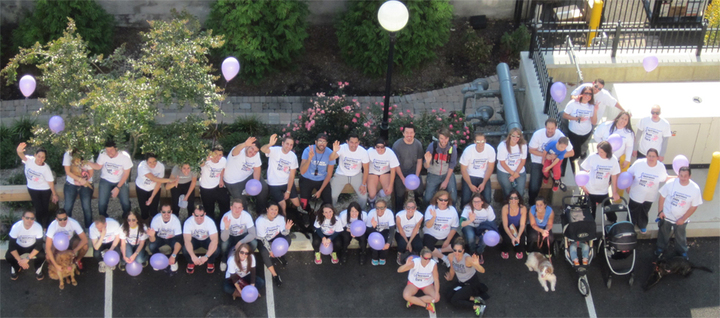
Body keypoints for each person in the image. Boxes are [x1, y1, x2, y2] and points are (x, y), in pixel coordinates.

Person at [656, 166, 702, 259]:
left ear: (690, 176)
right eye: (681, 175)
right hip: (666, 216)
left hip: (681, 220)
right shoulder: (670, 183)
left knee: (680, 237)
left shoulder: (695, 189)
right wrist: (660, 211)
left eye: (685, 176)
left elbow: (694, 206)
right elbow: (662, 197)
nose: (683, 178)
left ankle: (682, 252)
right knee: (663, 234)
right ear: (678, 175)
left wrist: (683, 219)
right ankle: (660, 248)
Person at [528, 118, 574, 205]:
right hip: (538, 160)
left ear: (556, 127)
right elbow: (531, 150)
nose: (550, 131)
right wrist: (545, 156)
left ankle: (556, 181)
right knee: (534, 186)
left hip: (554, 160)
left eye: (552, 128)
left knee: (557, 171)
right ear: (545, 127)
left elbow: (571, 153)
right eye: (548, 128)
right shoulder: (538, 134)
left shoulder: (560, 136)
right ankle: (531, 204)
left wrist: (556, 156)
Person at [261, 134, 307, 218]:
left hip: (286, 182)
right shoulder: (274, 150)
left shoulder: (293, 156)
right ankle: (284, 221)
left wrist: (288, 191)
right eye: (287, 144)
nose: (289, 146)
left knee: (297, 203)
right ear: (282, 143)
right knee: (283, 205)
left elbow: (292, 175)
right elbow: (263, 149)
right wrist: (270, 144)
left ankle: (299, 217)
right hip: (274, 183)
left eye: (291, 145)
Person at [627, 149, 671, 233]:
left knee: (644, 210)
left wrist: (678, 177)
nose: (651, 158)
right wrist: (628, 186)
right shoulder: (639, 163)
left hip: (650, 195)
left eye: (653, 156)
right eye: (649, 156)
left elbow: (664, 178)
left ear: (657, 157)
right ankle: (630, 225)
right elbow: (630, 174)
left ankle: (642, 224)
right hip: (636, 193)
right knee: (633, 209)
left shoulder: (661, 166)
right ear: (646, 156)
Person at [88, 140, 133, 219]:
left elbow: (126, 174)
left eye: (111, 150)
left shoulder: (125, 156)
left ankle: (127, 218)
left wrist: (118, 188)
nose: (109, 153)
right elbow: (98, 166)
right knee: (102, 203)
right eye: (107, 150)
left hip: (120, 180)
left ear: (117, 148)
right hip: (106, 180)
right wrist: (87, 162)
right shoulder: (103, 153)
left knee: (125, 203)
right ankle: (103, 219)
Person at [17, 142, 58, 229]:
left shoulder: (46, 168)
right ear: (35, 155)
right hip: (32, 188)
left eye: (43, 157)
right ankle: (39, 227)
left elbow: (50, 182)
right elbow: (21, 155)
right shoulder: (29, 160)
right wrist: (19, 151)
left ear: (45, 158)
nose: (40, 159)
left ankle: (46, 227)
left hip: (45, 189)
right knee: (38, 209)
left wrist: (54, 194)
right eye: (39, 156)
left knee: (45, 209)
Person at [224, 136, 269, 214]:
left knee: (263, 188)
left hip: (248, 176)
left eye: (255, 151)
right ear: (247, 146)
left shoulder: (255, 154)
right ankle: (246, 219)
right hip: (233, 181)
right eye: (251, 149)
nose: (253, 153)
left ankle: (261, 212)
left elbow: (257, 169)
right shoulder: (238, 151)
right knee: (241, 203)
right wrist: (244, 144)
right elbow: (235, 150)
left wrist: (255, 185)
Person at [444, 238, 488, 317]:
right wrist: (450, 278)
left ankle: (477, 306)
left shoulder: (467, 259)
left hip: (471, 284)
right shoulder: (450, 256)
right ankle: (475, 299)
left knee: (454, 300)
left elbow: (482, 271)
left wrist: (477, 265)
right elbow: (452, 268)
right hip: (461, 283)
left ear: (463, 250)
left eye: (459, 251)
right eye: (455, 250)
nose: (457, 253)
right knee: (448, 295)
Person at [580, 141, 621, 222]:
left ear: (607, 152)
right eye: (598, 151)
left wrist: (615, 192)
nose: (599, 153)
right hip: (590, 189)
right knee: (591, 215)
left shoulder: (613, 160)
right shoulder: (593, 157)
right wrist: (583, 186)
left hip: (603, 190)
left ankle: (613, 224)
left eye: (602, 152)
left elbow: (614, 176)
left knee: (611, 215)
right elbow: (583, 171)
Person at [562, 85, 600, 172]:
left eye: (590, 94)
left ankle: (574, 159)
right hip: (574, 132)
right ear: (582, 94)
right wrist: (576, 118)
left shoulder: (591, 106)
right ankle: (572, 164)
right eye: (586, 93)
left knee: (580, 149)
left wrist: (595, 111)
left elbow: (594, 122)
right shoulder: (573, 103)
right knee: (576, 152)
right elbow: (564, 115)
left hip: (586, 132)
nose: (588, 96)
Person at [255, 202, 293, 287]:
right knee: (265, 253)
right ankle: (275, 275)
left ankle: (279, 255)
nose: (274, 211)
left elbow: (283, 233)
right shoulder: (260, 221)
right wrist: (270, 250)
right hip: (263, 240)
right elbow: (263, 238)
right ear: (267, 209)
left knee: (288, 239)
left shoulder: (280, 218)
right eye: (272, 209)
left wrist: (287, 230)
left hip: (275, 238)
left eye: (276, 210)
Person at [330, 133, 370, 208]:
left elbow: (366, 169)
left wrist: (363, 184)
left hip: (356, 175)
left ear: (359, 142)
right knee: (333, 195)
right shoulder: (342, 147)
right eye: (351, 142)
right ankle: (331, 212)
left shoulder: (363, 152)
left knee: (363, 197)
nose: (354, 145)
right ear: (347, 142)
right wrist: (334, 151)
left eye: (356, 142)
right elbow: (331, 158)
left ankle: (362, 213)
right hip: (341, 174)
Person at [392, 123, 426, 212]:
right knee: (399, 194)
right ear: (403, 133)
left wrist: (416, 176)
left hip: (414, 172)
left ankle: (419, 212)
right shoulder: (397, 145)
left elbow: (419, 161)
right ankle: (398, 213)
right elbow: (395, 164)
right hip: (401, 173)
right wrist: (403, 178)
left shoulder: (418, 144)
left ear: (414, 133)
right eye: (407, 132)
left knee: (419, 191)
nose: (409, 135)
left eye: (411, 133)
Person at [299, 133, 337, 210]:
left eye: (324, 142)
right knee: (303, 204)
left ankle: (321, 215)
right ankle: (310, 213)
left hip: (322, 179)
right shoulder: (308, 150)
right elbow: (302, 171)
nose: (322, 144)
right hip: (307, 178)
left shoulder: (330, 153)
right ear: (316, 142)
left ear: (326, 143)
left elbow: (329, 174)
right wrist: (309, 158)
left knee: (328, 204)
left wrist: (320, 191)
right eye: (320, 141)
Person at [398, 247, 440, 314]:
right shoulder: (415, 262)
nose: (428, 261)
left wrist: (437, 292)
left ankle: (413, 301)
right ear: (421, 256)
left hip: (427, 284)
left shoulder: (433, 264)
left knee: (436, 298)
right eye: (426, 258)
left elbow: (436, 279)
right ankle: (426, 305)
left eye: (430, 258)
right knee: (406, 295)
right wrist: (406, 265)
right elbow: (399, 270)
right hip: (414, 283)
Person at [423, 190, 460, 268]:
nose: (443, 201)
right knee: (427, 245)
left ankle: (438, 251)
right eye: (441, 199)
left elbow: (454, 227)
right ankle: (444, 258)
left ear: (448, 201)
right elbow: (428, 225)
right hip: (431, 233)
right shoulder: (431, 208)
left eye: (445, 200)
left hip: (446, 233)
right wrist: (433, 217)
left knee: (459, 244)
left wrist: (448, 240)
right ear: (437, 200)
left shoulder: (452, 210)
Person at [219, 198, 257, 272]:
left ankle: (247, 257)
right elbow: (223, 238)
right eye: (235, 207)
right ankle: (224, 259)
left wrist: (241, 242)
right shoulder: (226, 217)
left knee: (254, 243)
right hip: (230, 236)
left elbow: (253, 234)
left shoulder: (246, 216)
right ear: (231, 208)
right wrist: (226, 228)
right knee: (224, 244)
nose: (237, 210)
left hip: (242, 235)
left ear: (242, 208)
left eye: (239, 208)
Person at [459, 132, 496, 207]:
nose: (480, 144)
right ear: (475, 142)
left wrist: (484, 183)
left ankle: (483, 214)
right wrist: (470, 185)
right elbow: (463, 169)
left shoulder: (490, 150)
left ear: (485, 141)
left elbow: (490, 168)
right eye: (478, 142)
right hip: (469, 175)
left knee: (487, 199)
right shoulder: (468, 151)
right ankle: (463, 214)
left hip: (483, 176)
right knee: (466, 199)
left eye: (482, 141)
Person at [6, 211, 45, 280]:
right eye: (27, 218)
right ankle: (16, 267)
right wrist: (21, 261)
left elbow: (39, 246)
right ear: (23, 218)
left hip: (32, 245)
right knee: (8, 256)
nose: (29, 220)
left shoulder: (38, 227)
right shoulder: (16, 227)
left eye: (32, 218)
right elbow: (11, 247)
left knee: (42, 255)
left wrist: (27, 259)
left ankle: (38, 269)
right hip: (19, 245)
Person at [423, 129, 458, 205]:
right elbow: (425, 166)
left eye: (446, 138)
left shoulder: (452, 148)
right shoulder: (432, 146)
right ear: (438, 138)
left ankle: (453, 214)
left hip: (447, 173)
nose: (444, 141)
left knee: (454, 198)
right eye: (441, 138)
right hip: (433, 174)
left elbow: (452, 165)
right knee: (427, 198)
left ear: (448, 138)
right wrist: (428, 162)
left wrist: (446, 181)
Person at [134, 153, 174, 221]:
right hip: (141, 188)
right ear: (146, 161)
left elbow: (159, 182)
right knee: (144, 209)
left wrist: (152, 197)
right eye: (150, 162)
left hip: (154, 188)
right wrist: (170, 180)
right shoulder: (142, 166)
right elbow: (153, 178)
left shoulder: (161, 166)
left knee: (154, 209)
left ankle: (154, 224)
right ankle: (144, 224)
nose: (152, 164)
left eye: (154, 161)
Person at [62, 149, 94, 230]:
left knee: (86, 207)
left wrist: (84, 181)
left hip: (86, 182)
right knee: (68, 207)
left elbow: (91, 171)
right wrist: (79, 181)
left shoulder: (88, 154)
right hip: (71, 183)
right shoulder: (68, 154)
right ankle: (65, 227)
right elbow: (68, 172)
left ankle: (88, 228)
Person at [460, 193, 497, 263]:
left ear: (482, 202)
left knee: (486, 237)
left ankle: (479, 252)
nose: (476, 203)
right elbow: (462, 224)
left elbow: (492, 223)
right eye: (474, 201)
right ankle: (473, 252)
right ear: (472, 202)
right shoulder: (468, 208)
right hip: (469, 225)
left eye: (478, 201)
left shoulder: (488, 208)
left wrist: (487, 231)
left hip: (482, 227)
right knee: (471, 236)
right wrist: (470, 220)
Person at [183, 205, 220, 274]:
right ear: (193, 214)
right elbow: (187, 241)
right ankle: (191, 262)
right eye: (196, 215)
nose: (199, 218)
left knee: (216, 249)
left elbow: (214, 240)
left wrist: (206, 256)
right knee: (185, 249)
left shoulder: (210, 222)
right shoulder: (188, 222)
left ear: (205, 214)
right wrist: (193, 256)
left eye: (201, 215)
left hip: (206, 239)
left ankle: (210, 262)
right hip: (194, 239)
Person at [147, 204, 183, 274]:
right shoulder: (156, 220)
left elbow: (179, 240)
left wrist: (173, 255)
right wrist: (151, 235)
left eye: (168, 212)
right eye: (164, 212)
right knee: (151, 246)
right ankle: (157, 260)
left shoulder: (175, 220)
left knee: (178, 245)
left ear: (171, 212)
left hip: (172, 238)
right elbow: (152, 241)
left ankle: (174, 261)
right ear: (160, 212)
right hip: (160, 238)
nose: (166, 214)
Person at [199, 145, 229, 226]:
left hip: (217, 186)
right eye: (215, 153)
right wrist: (206, 158)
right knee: (209, 210)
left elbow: (223, 168)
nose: (217, 156)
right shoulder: (206, 160)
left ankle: (222, 224)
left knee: (225, 204)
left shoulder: (223, 160)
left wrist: (221, 179)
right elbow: (200, 164)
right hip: (206, 188)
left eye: (220, 154)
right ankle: (211, 226)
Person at [367, 138, 399, 209]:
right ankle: (371, 201)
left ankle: (379, 194)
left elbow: (393, 169)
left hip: (385, 172)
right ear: (374, 147)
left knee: (388, 192)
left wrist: (391, 185)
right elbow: (364, 164)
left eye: (382, 147)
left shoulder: (390, 153)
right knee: (372, 194)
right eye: (377, 147)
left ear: (385, 146)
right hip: (372, 173)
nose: (380, 149)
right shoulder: (370, 152)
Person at [496, 128, 528, 197]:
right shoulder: (502, 145)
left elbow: (523, 161)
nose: (515, 138)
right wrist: (513, 174)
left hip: (519, 170)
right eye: (513, 136)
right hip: (504, 170)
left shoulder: (523, 145)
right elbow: (502, 163)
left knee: (520, 191)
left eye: (518, 136)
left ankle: (519, 205)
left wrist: (516, 173)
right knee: (508, 191)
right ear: (510, 135)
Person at [364, 199, 396, 266]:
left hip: (384, 230)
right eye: (377, 208)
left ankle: (382, 257)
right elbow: (368, 231)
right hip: (374, 230)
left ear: (385, 208)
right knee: (374, 240)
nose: (379, 210)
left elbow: (392, 229)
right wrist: (373, 227)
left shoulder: (389, 213)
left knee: (385, 240)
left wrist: (388, 243)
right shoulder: (371, 213)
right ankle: (374, 257)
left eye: (382, 208)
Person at [500, 190, 527, 260]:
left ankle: (518, 250)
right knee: (507, 237)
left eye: (515, 198)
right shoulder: (505, 208)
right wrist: (512, 237)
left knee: (522, 237)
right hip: (507, 227)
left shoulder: (523, 208)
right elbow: (505, 225)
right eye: (511, 198)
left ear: (519, 199)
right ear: (509, 199)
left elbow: (522, 225)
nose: (513, 200)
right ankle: (505, 250)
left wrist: (518, 236)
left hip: (518, 226)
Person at [395, 200, 423, 265]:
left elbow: (415, 230)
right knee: (402, 244)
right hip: (401, 234)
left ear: (415, 208)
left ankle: (415, 255)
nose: (410, 209)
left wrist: (410, 242)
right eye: (408, 207)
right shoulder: (399, 216)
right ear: (405, 208)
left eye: (413, 207)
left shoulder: (419, 216)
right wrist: (407, 243)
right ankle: (400, 255)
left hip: (413, 234)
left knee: (419, 245)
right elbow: (400, 229)